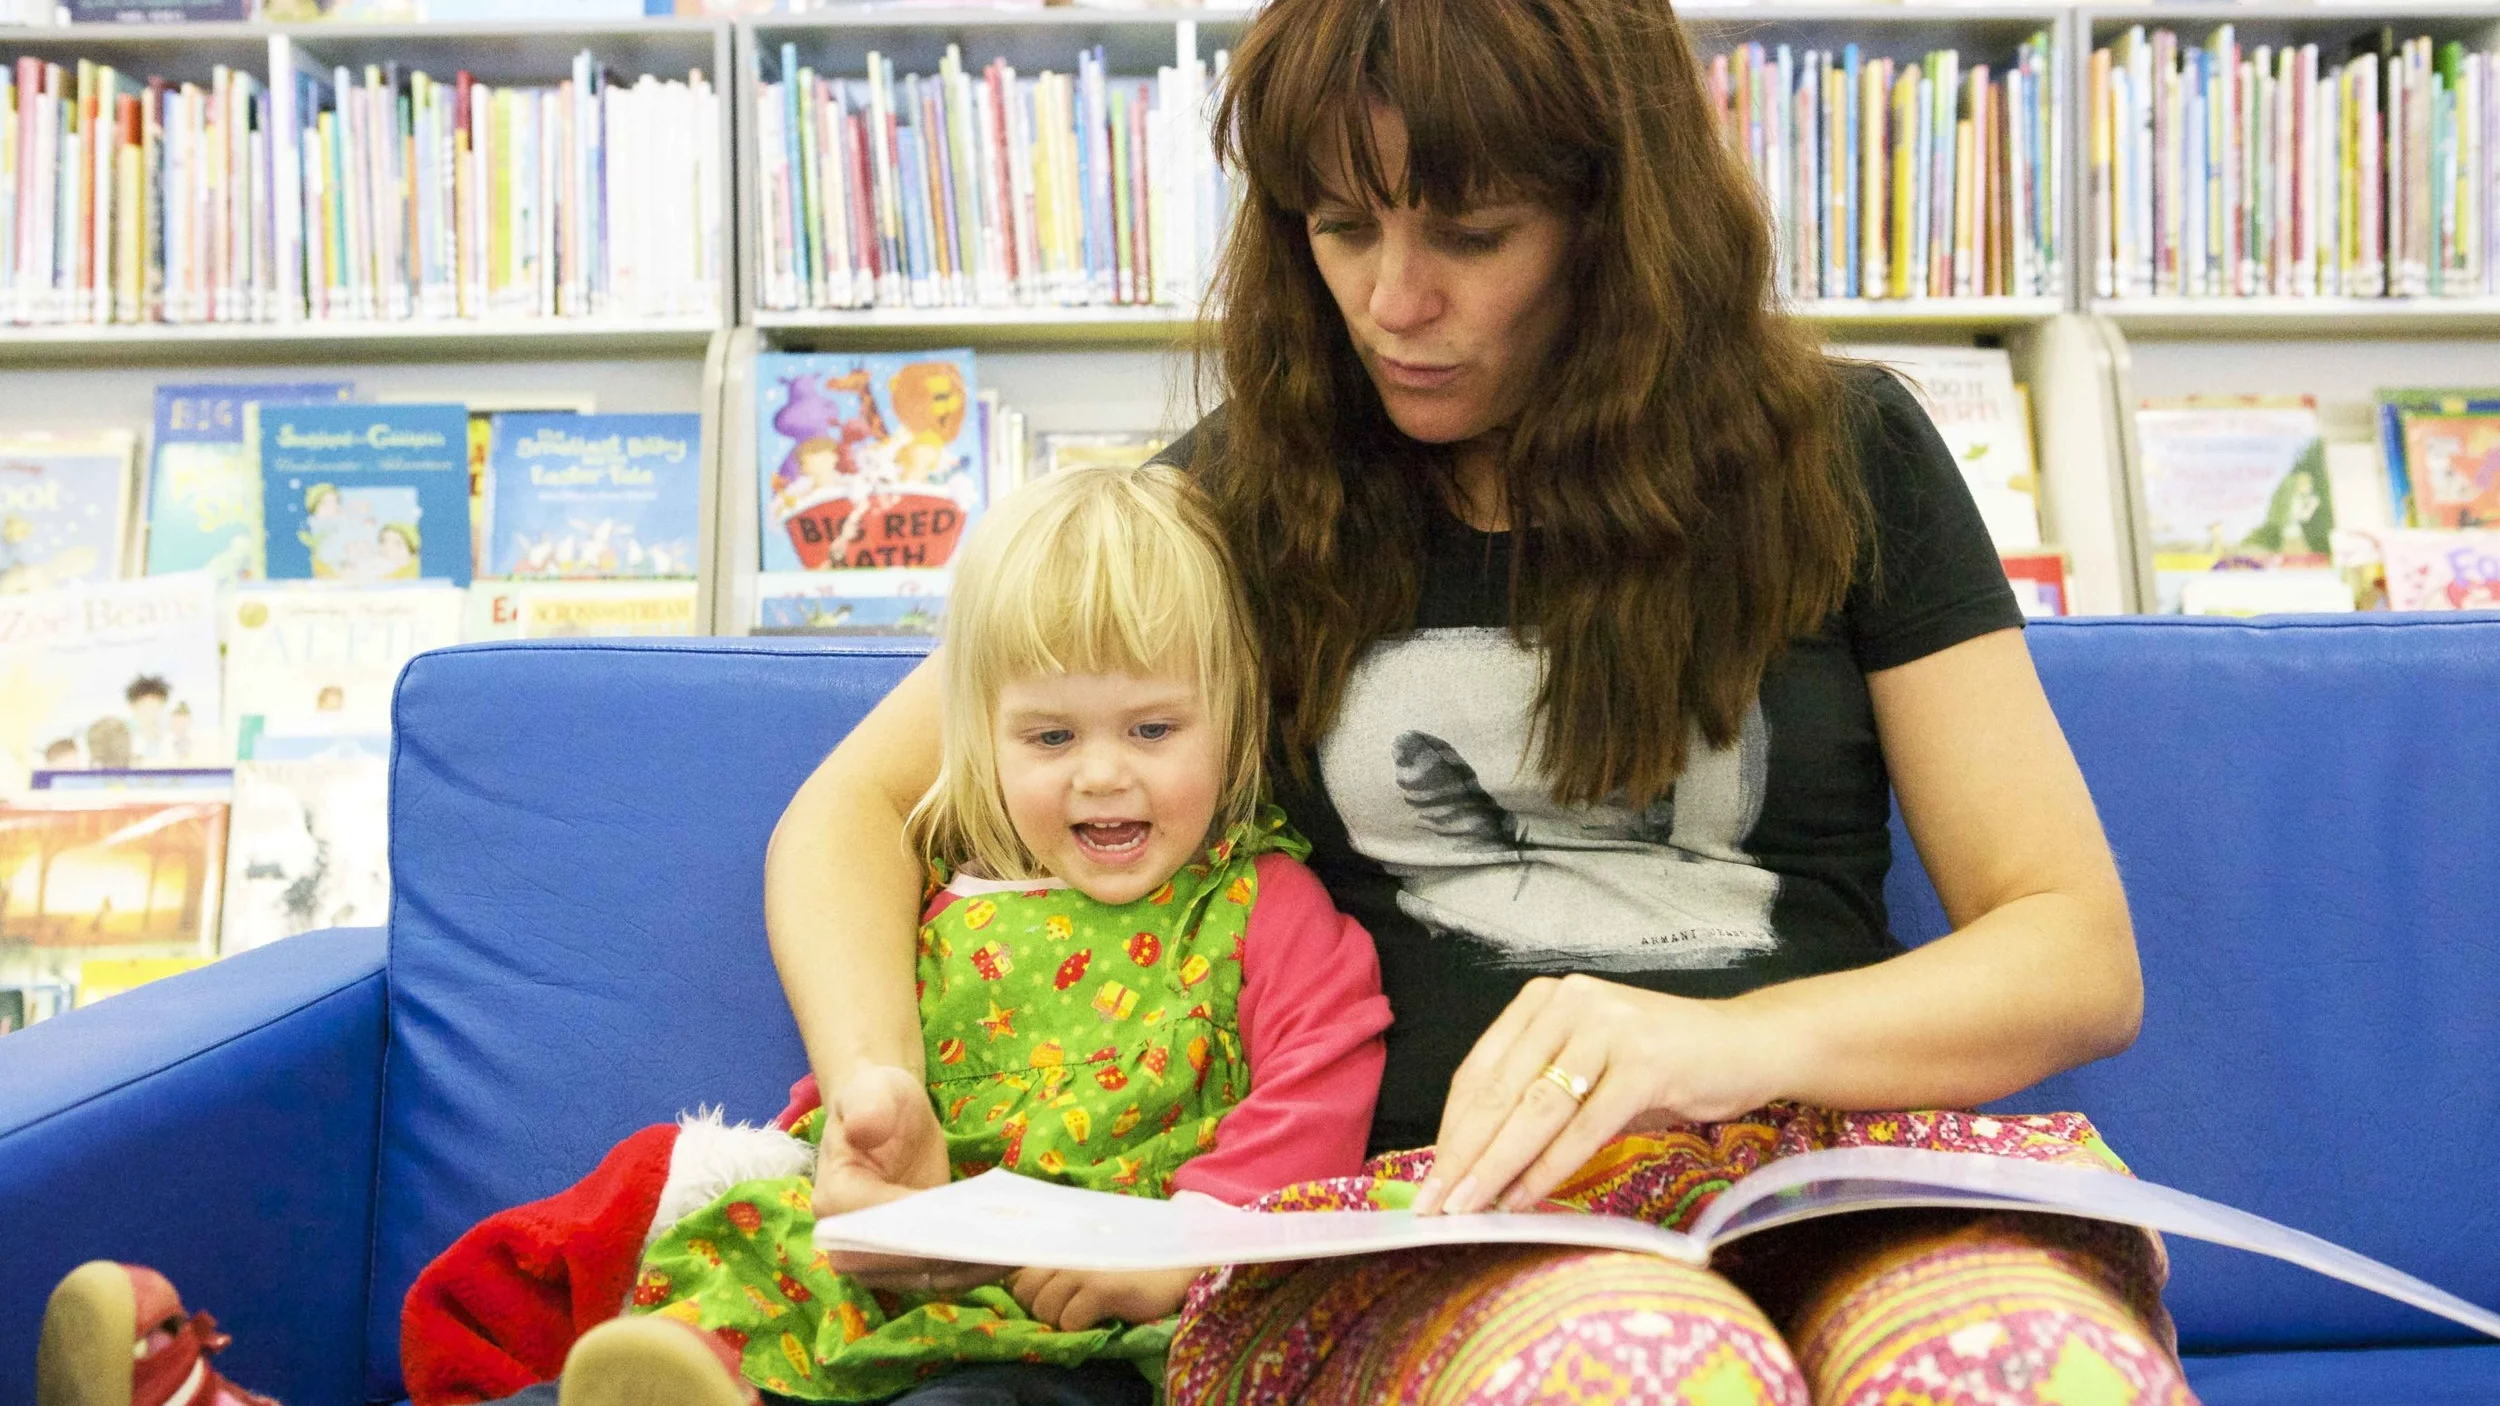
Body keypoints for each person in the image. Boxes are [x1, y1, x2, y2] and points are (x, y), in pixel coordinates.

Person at [766, 0, 2191, 1401]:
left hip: (1838, 1185)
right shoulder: (1238, 500)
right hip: (1442, 1222)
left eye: (1474, 234)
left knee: (2026, 1370)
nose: (1395, 302)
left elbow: (2074, 950)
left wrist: (1717, 1046)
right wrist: (880, 1088)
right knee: (1648, 1374)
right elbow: (851, 811)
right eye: (1341, 227)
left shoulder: (1846, 453)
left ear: (1616, 220)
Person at [35, 466, 1391, 1406]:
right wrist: (870, 1121)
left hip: (1078, 1339)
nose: (1102, 775)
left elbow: (1315, 1098)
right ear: (978, 738)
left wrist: (1174, 1246)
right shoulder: (956, 907)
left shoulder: (1266, 912)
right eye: (1050, 737)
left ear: (1235, 718)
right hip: (878, 1292)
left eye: (1152, 729)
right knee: (674, 1344)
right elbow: (857, 1112)